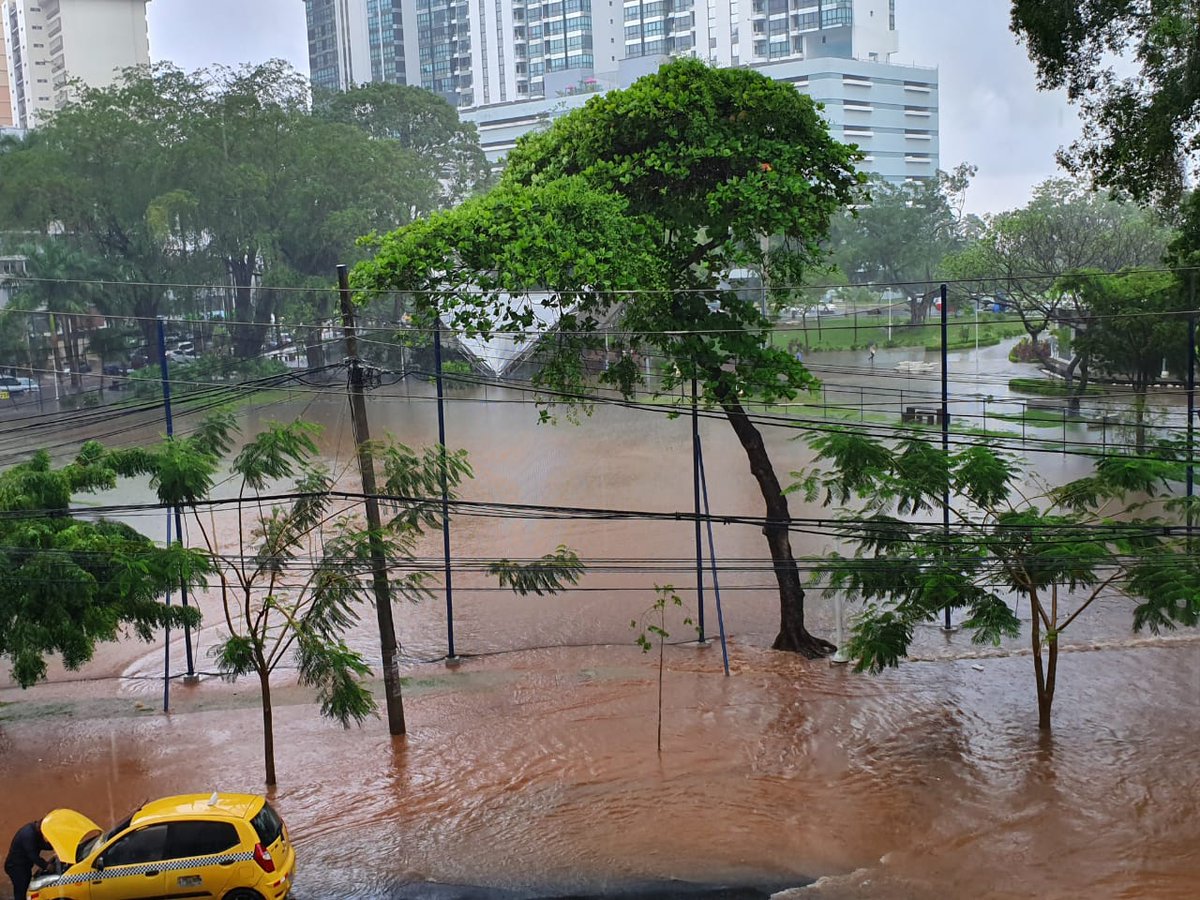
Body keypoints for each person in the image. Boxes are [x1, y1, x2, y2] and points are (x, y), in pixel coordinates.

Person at [5, 820, 50, 900]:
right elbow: (33, 856)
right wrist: (46, 866)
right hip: (16, 867)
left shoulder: (35, 832)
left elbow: (42, 845)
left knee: (25, 888)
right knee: (21, 891)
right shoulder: (28, 835)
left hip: (23, 867)